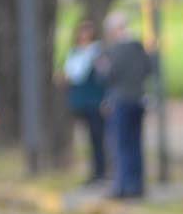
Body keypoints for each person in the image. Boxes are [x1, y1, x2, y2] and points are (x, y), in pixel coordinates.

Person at [97, 12, 152, 198]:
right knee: (136, 144)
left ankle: (122, 186)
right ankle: (137, 185)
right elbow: (149, 68)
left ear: (114, 30)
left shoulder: (113, 51)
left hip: (120, 101)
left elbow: (106, 76)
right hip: (138, 99)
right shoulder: (138, 47)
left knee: (120, 145)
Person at [63, 19, 107, 185]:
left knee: (98, 137)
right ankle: (94, 171)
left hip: (95, 101)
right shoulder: (75, 52)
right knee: (87, 138)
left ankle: (101, 171)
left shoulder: (97, 53)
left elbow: (103, 77)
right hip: (80, 101)